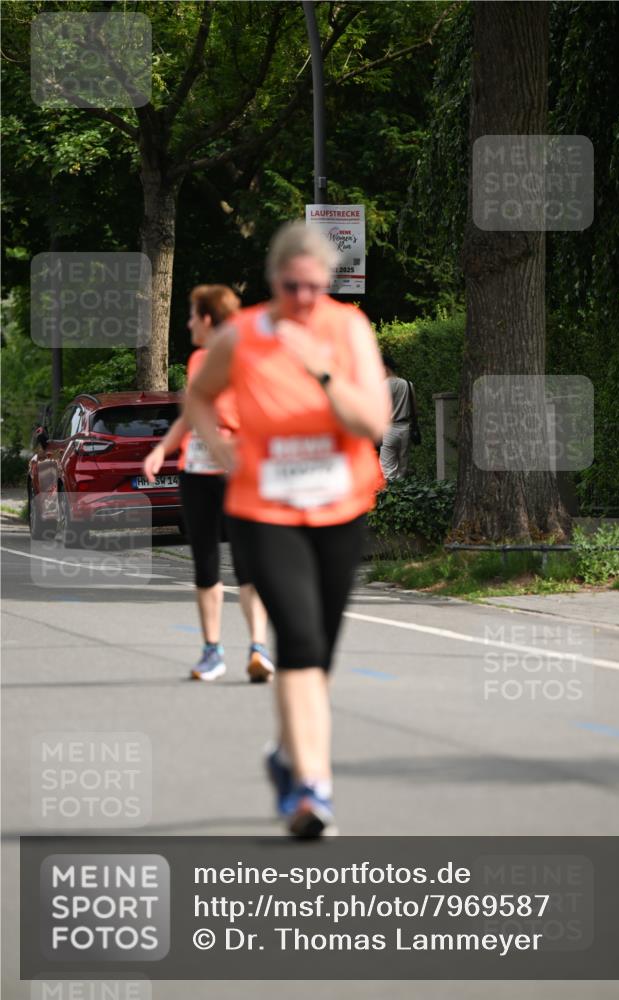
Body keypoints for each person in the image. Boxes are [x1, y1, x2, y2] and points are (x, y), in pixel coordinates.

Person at [185, 222, 390, 837]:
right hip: (264, 510)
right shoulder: (243, 335)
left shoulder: (347, 329)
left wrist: (323, 373)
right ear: (273, 281)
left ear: (326, 283)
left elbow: (371, 420)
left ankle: (284, 755)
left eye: (314, 286)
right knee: (298, 642)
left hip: (338, 507)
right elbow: (198, 396)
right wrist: (222, 455)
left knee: (319, 653)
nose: (303, 297)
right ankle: (312, 788)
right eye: (290, 285)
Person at [143, 284, 274, 684]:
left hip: (237, 469)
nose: (187, 323)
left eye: (191, 315)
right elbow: (190, 412)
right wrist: (162, 449)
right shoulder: (199, 360)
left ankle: (258, 649)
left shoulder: (249, 358)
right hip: (197, 470)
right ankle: (212, 651)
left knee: (248, 561)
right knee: (205, 560)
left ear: (206, 318)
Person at [379, 352, 418, 481]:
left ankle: (392, 498)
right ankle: (403, 494)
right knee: (403, 468)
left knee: (387, 469)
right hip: (406, 428)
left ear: (385, 367)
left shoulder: (382, 386)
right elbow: (414, 409)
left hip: (389, 429)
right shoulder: (408, 384)